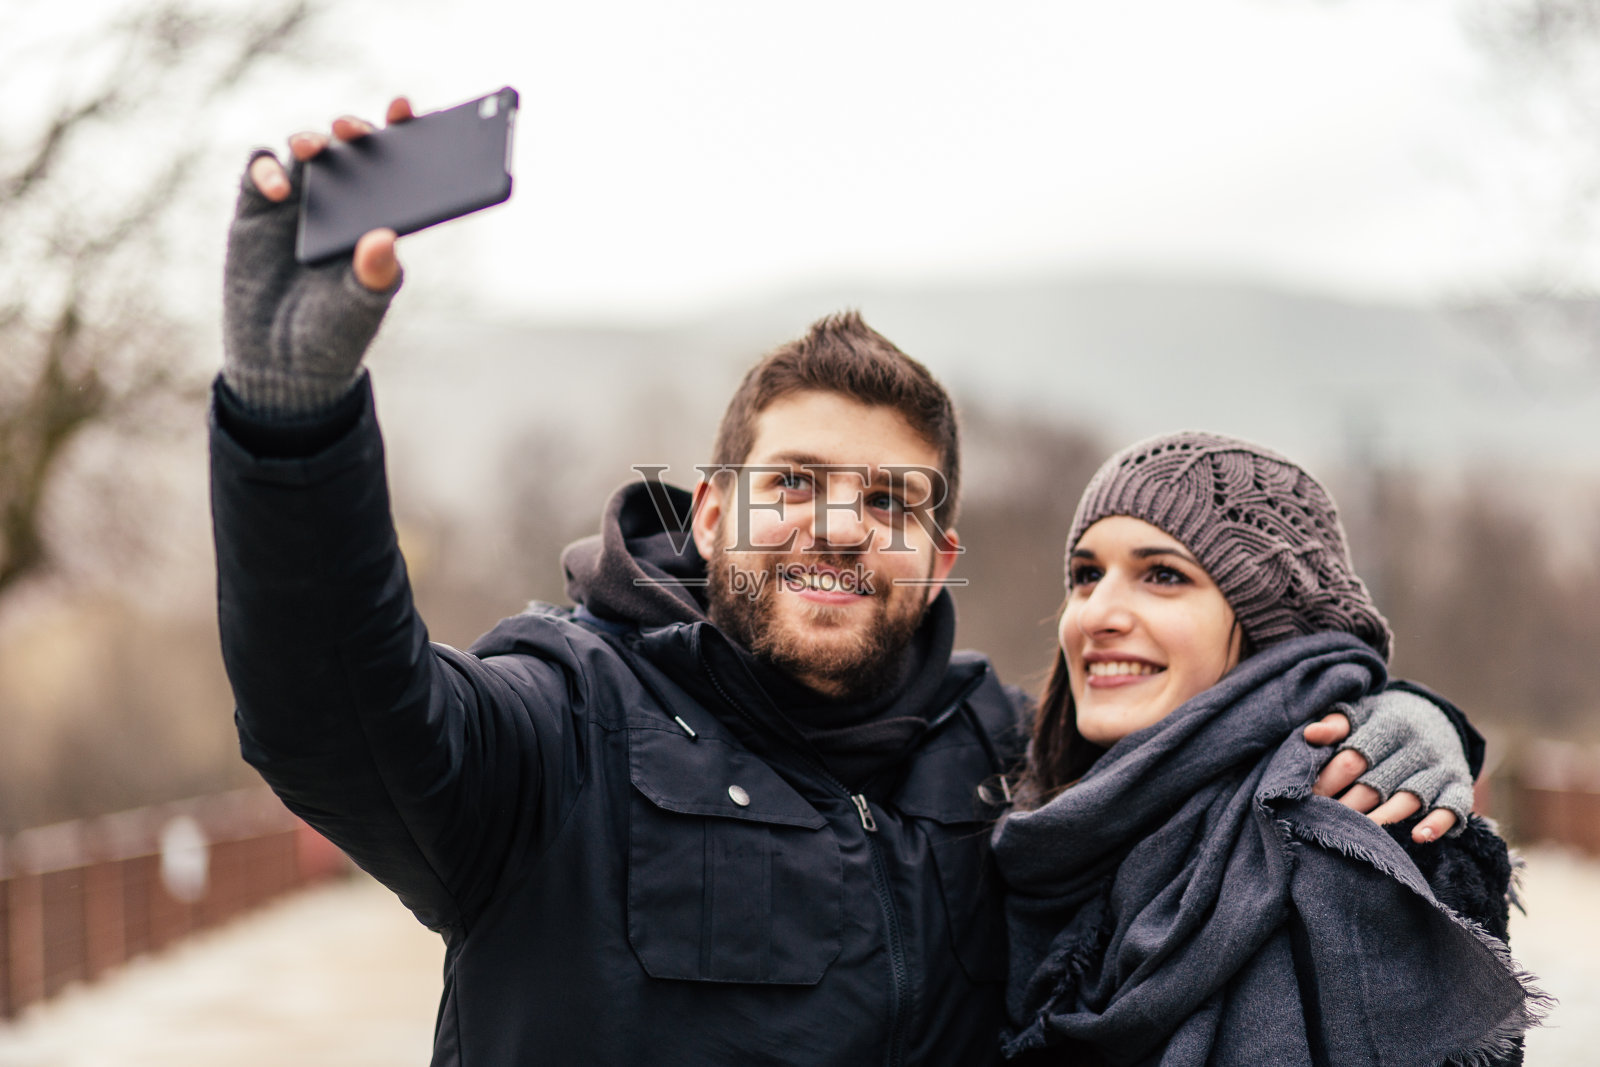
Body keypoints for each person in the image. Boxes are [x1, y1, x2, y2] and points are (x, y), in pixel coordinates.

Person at [212, 99, 1484, 1066]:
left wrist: (1401, 716)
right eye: (794, 483)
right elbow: (336, 716)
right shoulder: (561, 722)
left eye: (889, 500)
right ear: (712, 512)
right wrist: (294, 426)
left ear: (939, 555)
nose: (836, 526)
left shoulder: (1004, 753)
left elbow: (1208, 723)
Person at [992, 432, 1547, 1066]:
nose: (1095, 614)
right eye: (1086, 576)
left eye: (1163, 576)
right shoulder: (1046, 815)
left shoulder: (1346, 831)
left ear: (1273, 626)